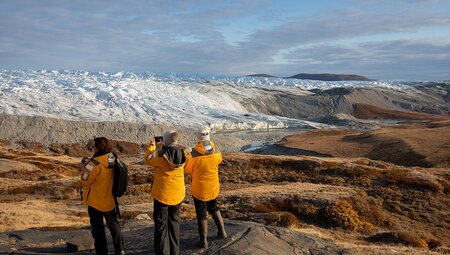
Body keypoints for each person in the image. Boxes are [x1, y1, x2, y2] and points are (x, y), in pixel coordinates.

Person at [143, 130, 187, 255]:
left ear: (164, 140)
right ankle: (175, 251)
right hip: (178, 194)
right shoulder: (183, 153)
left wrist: (153, 146)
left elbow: (147, 159)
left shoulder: (159, 156)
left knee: (161, 226)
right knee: (174, 223)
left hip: (162, 195)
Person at [80, 137, 125, 255]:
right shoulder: (112, 158)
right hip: (110, 199)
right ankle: (119, 249)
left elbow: (85, 181)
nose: (92, 148)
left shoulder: (93, 164)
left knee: (98, 229)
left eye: (94, 146)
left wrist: (85, 167)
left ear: (98, 148)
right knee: (113, 224)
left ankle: (102, 252)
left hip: (95, 201)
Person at [185, 126, 227, 248]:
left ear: (198, 137)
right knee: (214, 207)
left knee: (201, 213)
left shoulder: (193, 154)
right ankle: (222, 232)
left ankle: (203, 241)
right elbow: (219, 160)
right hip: (213, 186)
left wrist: (187, 156)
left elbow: (187, 170)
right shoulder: (216, 150)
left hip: (199, 189)